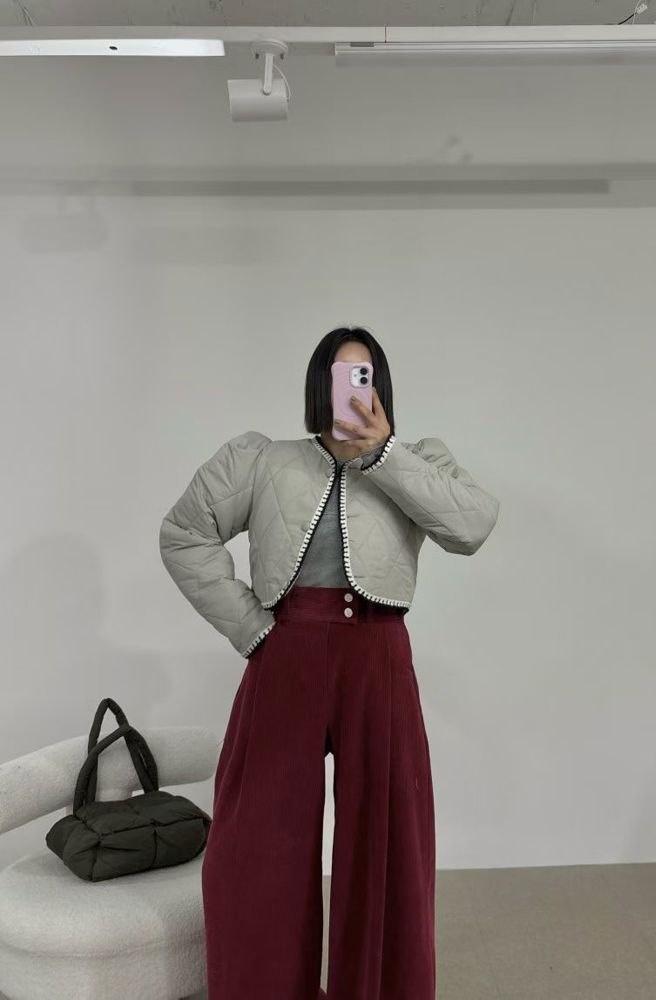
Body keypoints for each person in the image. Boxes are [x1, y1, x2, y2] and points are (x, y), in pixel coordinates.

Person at [159, 326, 501, 1000]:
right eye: (341, 375)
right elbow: (185, 532)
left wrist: (383, 454)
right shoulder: (264, 460)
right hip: (284, 654)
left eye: (364, 375)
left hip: (378, 657)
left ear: (380, 386)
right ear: (320, 384)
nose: (352, 389)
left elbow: (473, 526)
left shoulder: (417, 461)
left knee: (387, 841)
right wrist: (250, 625)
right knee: (256, 842)